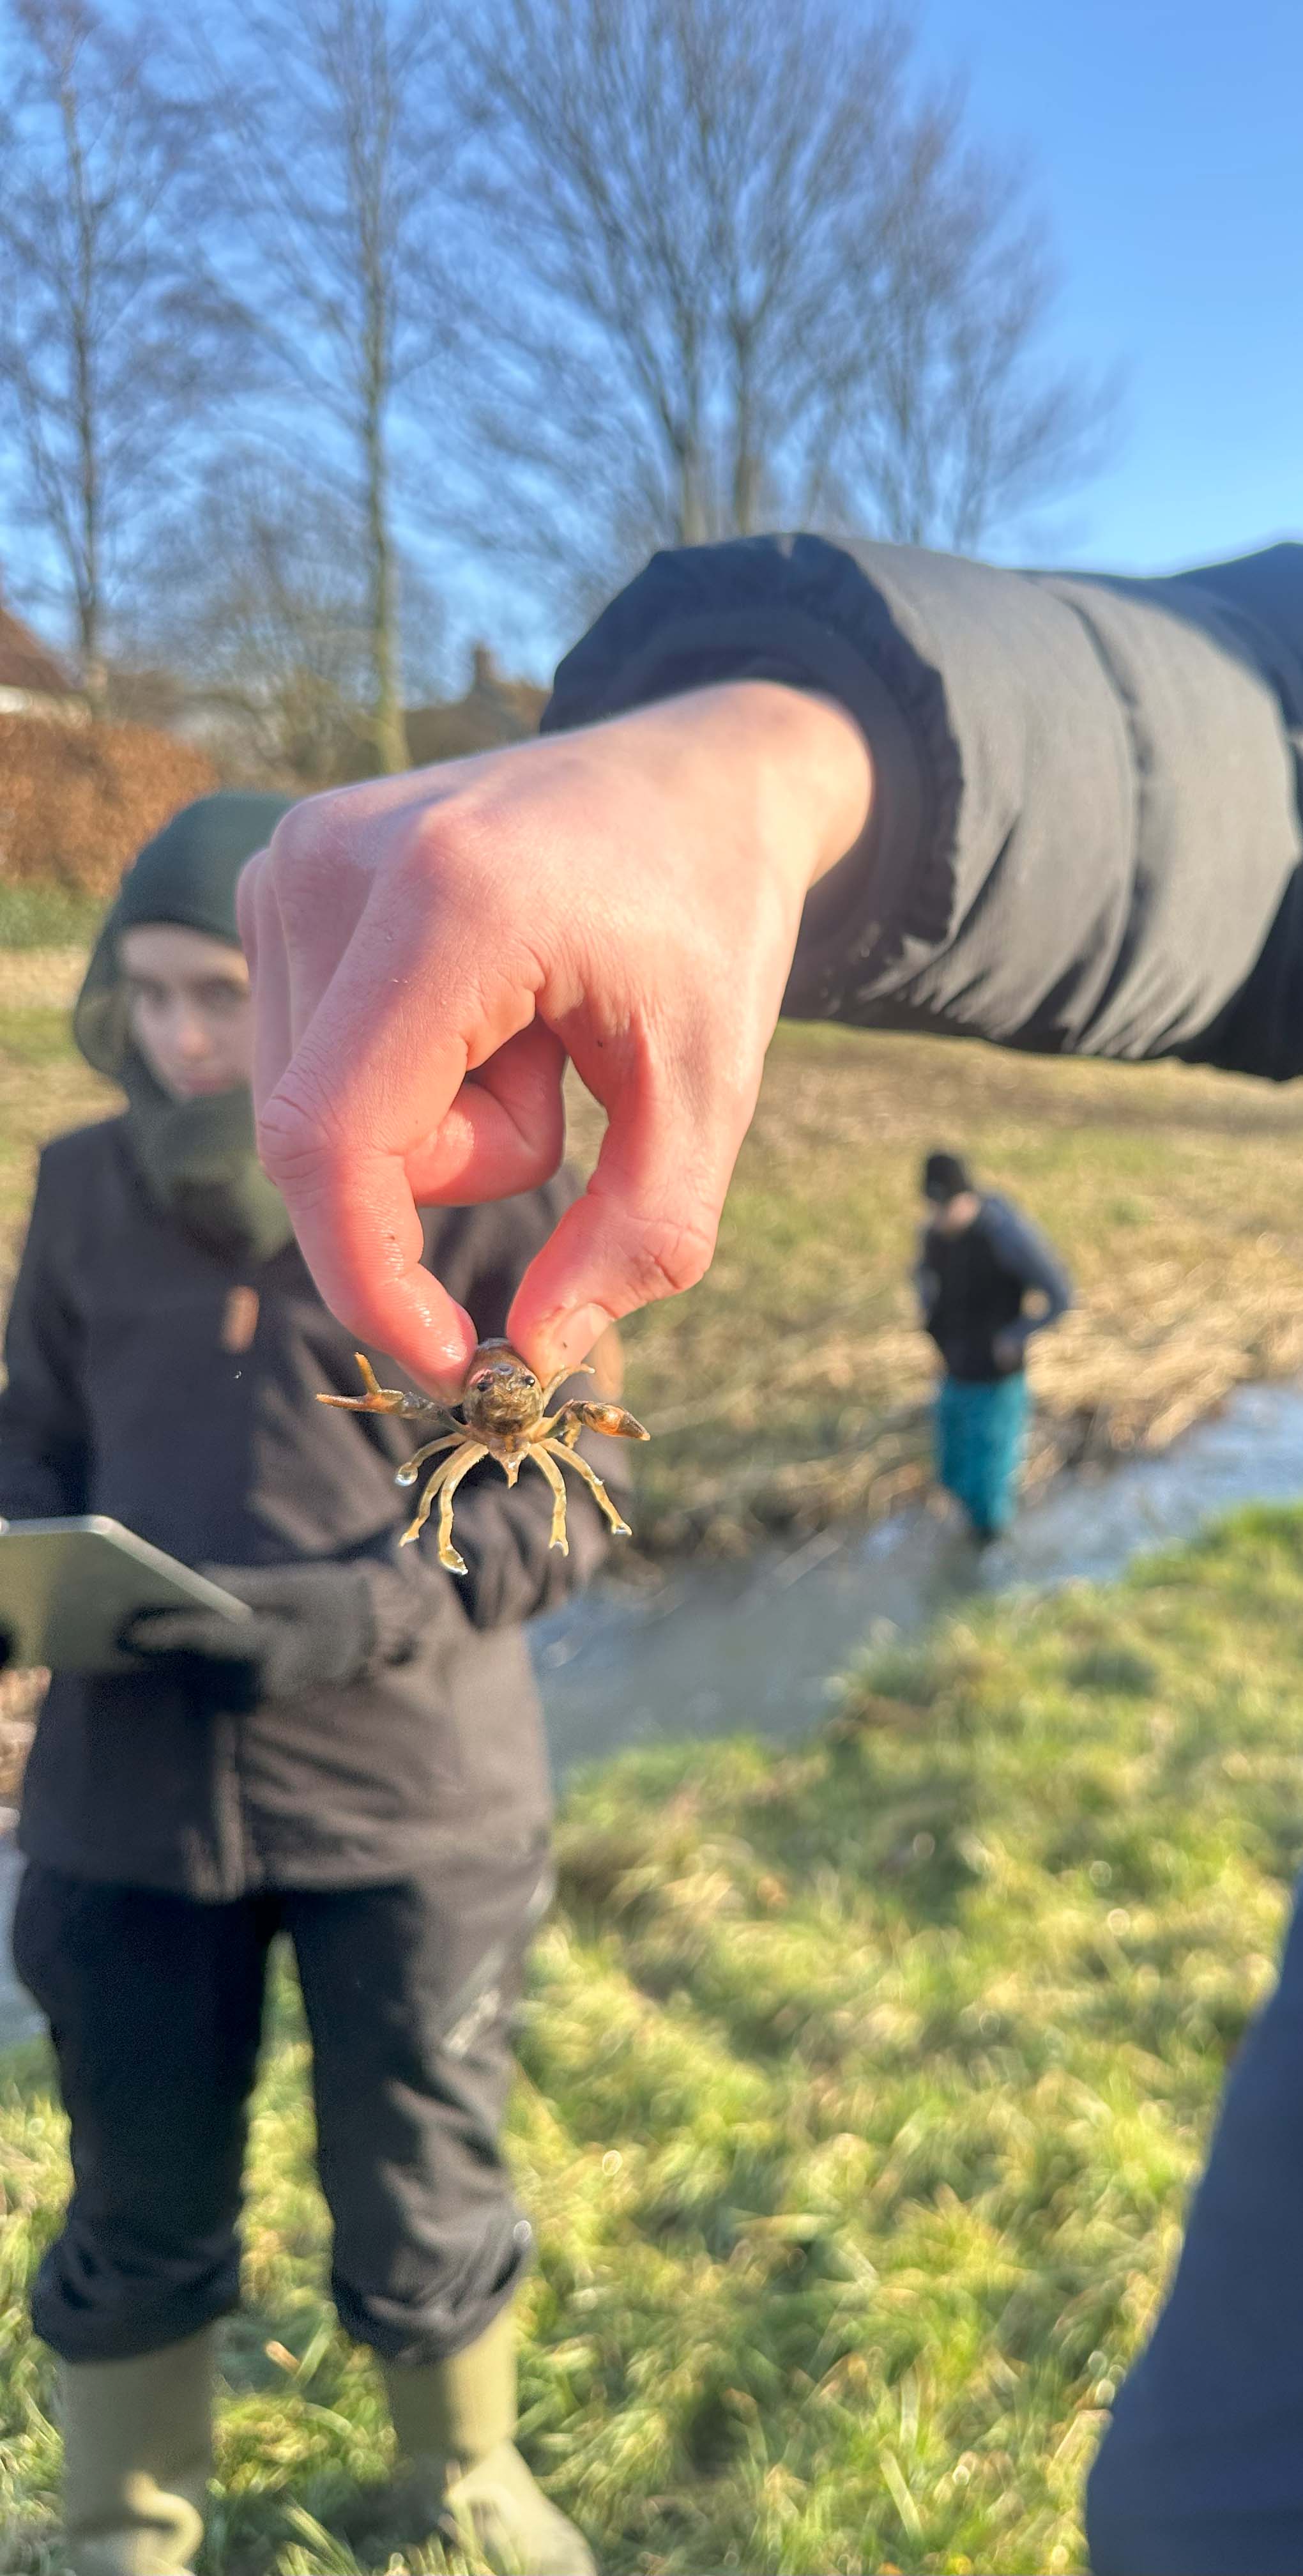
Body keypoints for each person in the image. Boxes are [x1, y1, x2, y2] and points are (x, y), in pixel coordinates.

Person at [236, 401, 1303, 2573]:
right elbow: (1271, 734)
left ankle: (989, 1524)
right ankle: (975, 1531)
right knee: (1206, 2524)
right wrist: (795, 755)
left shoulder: (1000, 1242)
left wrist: (1011, 1346)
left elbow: (1024, 1302)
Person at [2, 795, 614, 2576]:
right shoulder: (76, 1190)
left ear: (329, 999)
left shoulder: (486, 1195)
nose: (186, 1040)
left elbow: (573, 1505)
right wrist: (27, 1570)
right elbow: (31, 1432)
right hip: (131, 1787)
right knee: (134, 2164)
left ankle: (469, 2478)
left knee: (421, 2160)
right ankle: (126, 2511)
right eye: (152, 1000)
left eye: (226, 998)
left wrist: (365, 1610)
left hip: (410, 1792)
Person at [914, 1148, 1071, 1540]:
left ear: (966, 1198)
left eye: (945, 1207)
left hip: (997, 1382)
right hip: (953, 1370)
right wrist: (931, 1318)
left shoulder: (1005, 1235)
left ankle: (988, 1561)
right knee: (951, 1473)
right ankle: (969, 1534)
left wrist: (1015, 1336)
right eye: (933, 1207)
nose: (939, 1218)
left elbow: (1060, 1296)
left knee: (988, 1488)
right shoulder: (935, 1234)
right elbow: (920, 1273)